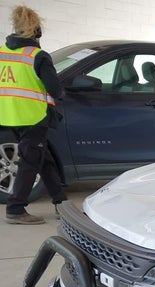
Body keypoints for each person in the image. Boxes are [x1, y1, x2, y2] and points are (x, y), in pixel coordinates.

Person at [0, 5, 66, 225]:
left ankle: (61, 202)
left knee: (43, 158)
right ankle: (15, 209)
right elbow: (55, 89)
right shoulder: (37, 56)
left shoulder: (2, 52)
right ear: (36, 31)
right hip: (33, 117)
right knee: (30, 163)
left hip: (9, 115)